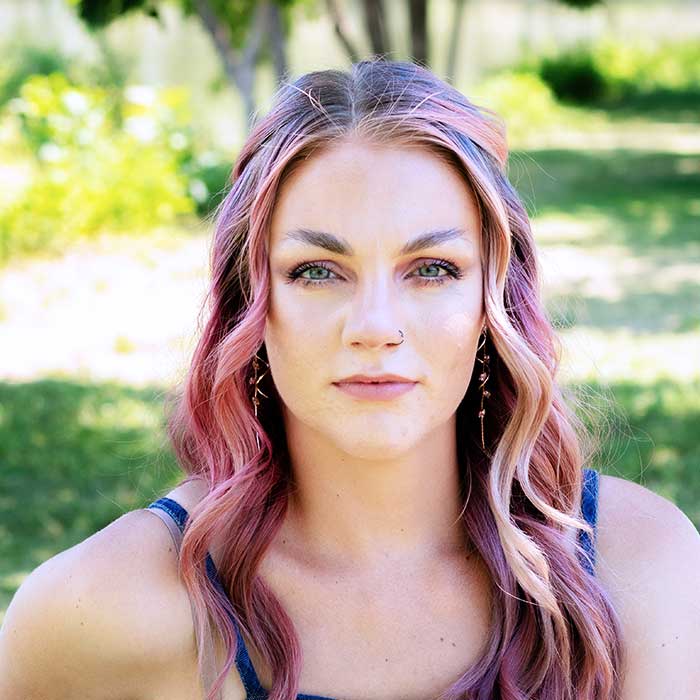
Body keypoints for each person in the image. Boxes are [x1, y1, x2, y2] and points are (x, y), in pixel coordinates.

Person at [1, 58, 699, 700]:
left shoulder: (641, 570)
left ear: (494, 304)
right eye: (317, 271)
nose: (374, 326)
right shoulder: (100, 610)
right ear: (251, 304)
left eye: (432, 269)